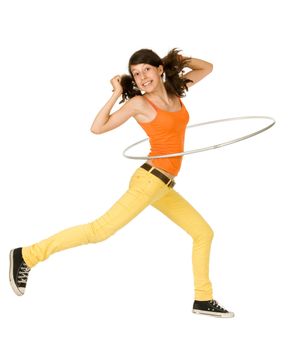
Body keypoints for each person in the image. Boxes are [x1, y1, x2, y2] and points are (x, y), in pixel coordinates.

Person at [9, 48, 234, 318]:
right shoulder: (139, 104)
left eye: (146, 69)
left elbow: (206, 67)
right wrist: (116, 93)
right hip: (149, 181)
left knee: (203, 233)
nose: (142, 77)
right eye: (136, 74)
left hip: (163, 186)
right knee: (98, 232)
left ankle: (203, 299)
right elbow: (98, 127)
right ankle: (27, 255)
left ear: (159, 69)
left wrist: (170, 61)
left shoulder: (175, 91)